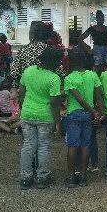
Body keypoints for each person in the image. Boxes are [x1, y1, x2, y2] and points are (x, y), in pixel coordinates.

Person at [18, 47, 63, 189]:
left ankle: (25, 178)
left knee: (28, 145)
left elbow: (21, 92)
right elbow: (54, 103)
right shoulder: (54, 78)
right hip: (45, 115)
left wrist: (22, 107)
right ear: (55, 62)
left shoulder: (28, 71)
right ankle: (42, 177)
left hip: (27, 113)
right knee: (43, 146)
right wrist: (58, 122)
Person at [63, 49, 104, 188]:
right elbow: (99, 96)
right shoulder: (93, 75)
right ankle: (83, 176)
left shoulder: (69, 78)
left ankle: (71, 176)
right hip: (88, 115)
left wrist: (93, 111)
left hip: (74, 113)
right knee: (86, 145)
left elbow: (79, 99)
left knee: (72, 145)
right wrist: (100, 112)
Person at [10, 22, 65, 88]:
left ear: (33, 35)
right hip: (47, 91)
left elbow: (14, 74)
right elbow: (60, 74)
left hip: (26, 90)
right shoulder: (51, 52)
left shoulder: (22, 52)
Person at [77, 10, 107, 74]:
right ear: (96, 19)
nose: (101, 19)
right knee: (98, 69)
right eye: (99, 18)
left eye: (102, 18)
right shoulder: (92, 29)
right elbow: (80, 39)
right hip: (97, 50)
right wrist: (88, 49)